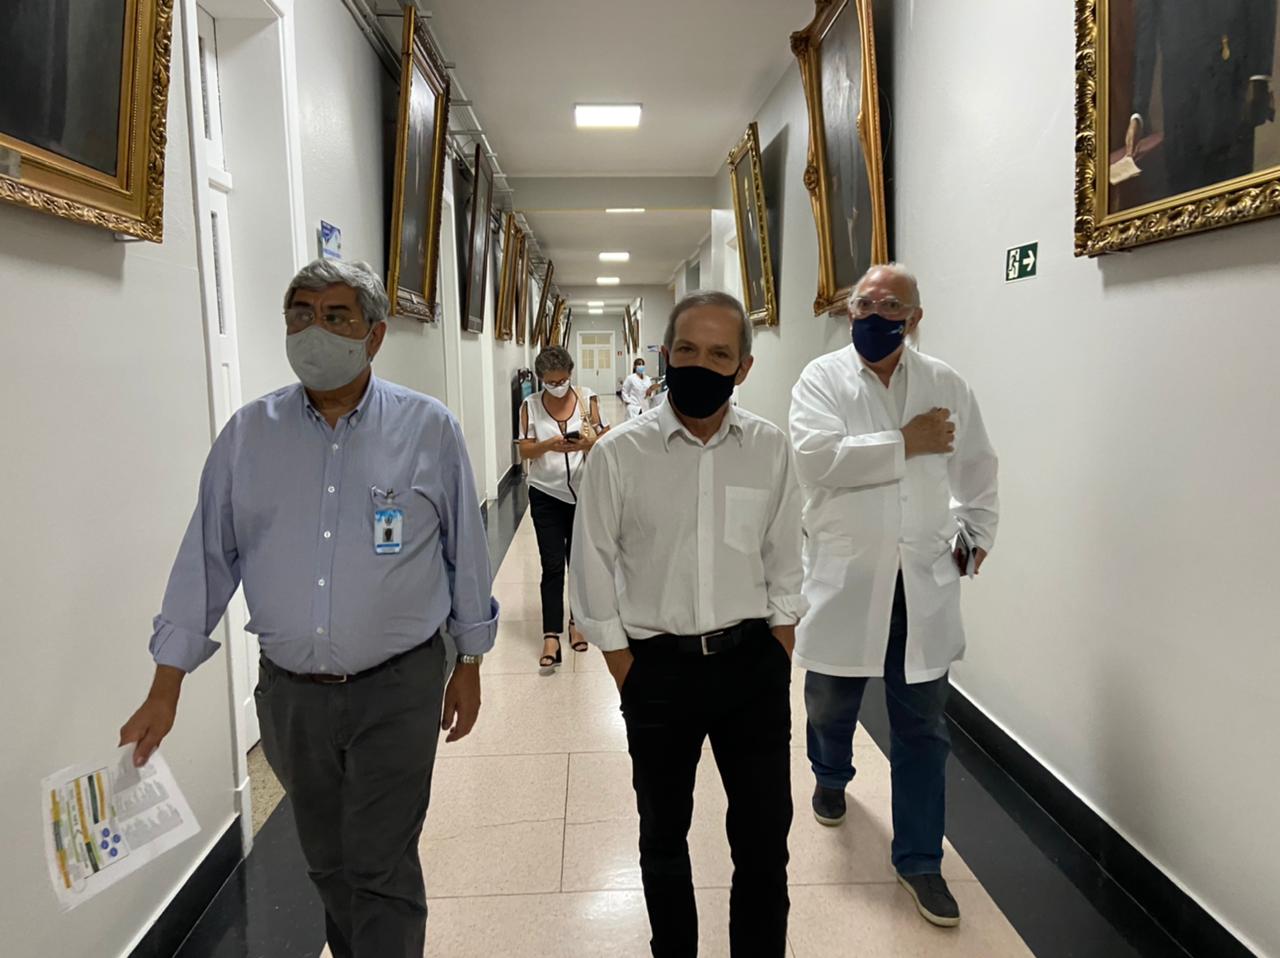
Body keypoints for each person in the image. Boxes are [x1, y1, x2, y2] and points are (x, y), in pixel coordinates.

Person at [118, 259, 498, 958]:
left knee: (380, 865)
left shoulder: (428, 429)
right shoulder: (247, 437)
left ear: (374, 336)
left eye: (335, 316)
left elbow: (465, 553)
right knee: (328, 863)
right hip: (292, 699)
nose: (313, 330)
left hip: (398, 687)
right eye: (300, 314)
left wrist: (469, 661)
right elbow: (206, 561)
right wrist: (165, 686)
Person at [571, 291, 807, 957]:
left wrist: (778, 649)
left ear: (743, 368)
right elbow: (592, 567)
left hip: (752, 668)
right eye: (687, 350)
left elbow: (785, 559)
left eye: (719, 354)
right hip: (658, 671)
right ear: (665, 357)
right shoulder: (620, 454)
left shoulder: (769, 449)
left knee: (764, 842)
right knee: (663, 837)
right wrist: (625, 668)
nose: (701, 365)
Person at [788, 263, 998, 929]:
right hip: (847, 578)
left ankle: (920, 860)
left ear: (915, 317)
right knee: (830, 702)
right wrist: (906, 442)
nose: (873, 315)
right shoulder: (821, 379)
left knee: (923, 729)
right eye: (863, 304)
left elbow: (977, 468)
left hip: (922, 583)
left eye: (889, 306)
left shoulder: (945, 384)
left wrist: (976, 537)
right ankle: (830, 774)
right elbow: (816, 461)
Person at [1126, 0, 1277, 197]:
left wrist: (1259, 76)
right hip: (1180, 102)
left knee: (1234, 195)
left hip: (1231, 88)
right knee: (1183, 194)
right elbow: (1146, 34)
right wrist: (1138, 111)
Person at [517, 345, 608, 670]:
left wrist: (586, 443)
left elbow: (606, 437)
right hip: (545, 494)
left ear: (570, 374)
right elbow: (525, 451)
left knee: (578, 564)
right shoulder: (530, 406)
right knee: (552, 564)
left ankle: (576, 622)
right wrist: (548, 445)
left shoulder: (587, 398)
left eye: (562, 380)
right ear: (541, 379)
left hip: (583, 493)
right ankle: (551, 634)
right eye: (551, 382)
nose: (558, 386)